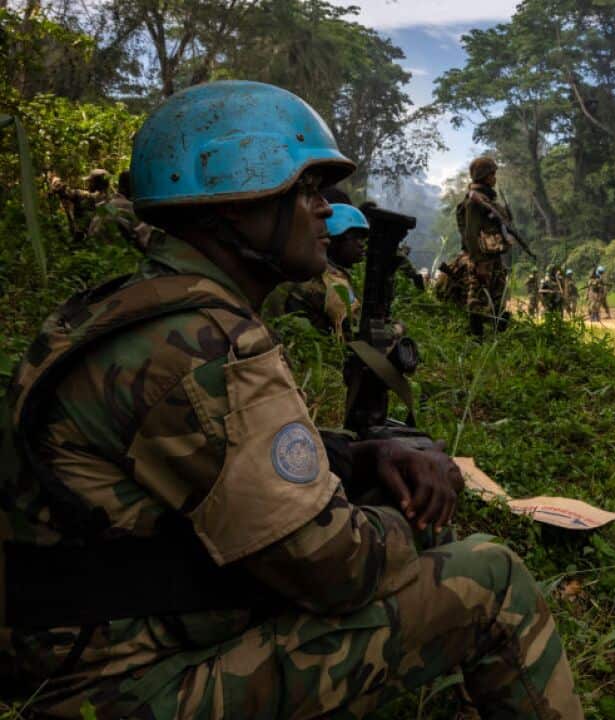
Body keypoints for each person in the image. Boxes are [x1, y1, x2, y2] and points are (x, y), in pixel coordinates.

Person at [0, 80, 582, 720]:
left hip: (70, 655)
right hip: (123, 689)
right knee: (490, 579)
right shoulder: (208, 347)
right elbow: (337, 569)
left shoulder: (118, 310)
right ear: (231, 203)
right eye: (306, 191)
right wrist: (409, 514)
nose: (326, 213)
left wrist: (356, 458)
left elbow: (208, 465)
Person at [266, 202, 367, 340]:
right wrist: (397, 329)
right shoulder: (331, 280)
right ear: (334, 239)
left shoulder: (300, 267)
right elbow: (358, 333)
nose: (362, 244)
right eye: (355, 237)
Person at [456, 156, 513, 337]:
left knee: (498, 295)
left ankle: (496, 333)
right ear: (484, 175)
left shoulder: (486, 200)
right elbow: (471, 234)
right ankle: (476, 338)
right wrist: (478, 262)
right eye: (492, 174)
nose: (494, 178)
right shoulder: (474, 201)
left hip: (492, 256)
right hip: (481, 258)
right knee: (477, 297)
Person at [50, 168, 111, 242]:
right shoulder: (110, 202)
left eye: (90, 182)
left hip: (87, 241)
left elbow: (70, 193)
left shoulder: (87, 197)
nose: (88, 184)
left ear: (95, 184)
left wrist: (58, 186)